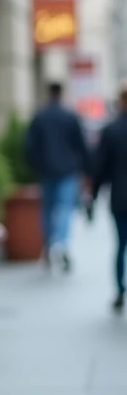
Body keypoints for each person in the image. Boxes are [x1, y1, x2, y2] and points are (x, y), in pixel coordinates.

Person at [26, 82, 90, 271]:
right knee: (64, 208)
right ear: (61, 93)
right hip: (67, 171)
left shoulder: (40, 117)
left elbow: (30, 146)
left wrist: (36, 166)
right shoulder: (70, 116)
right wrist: (85, 169)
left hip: (46, 171)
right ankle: (61, 243)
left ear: (48, 92)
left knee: (47, 210)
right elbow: (81, 145)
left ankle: (47, 246)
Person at [87, 80, 127, 311]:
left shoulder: (111, 130)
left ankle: (120, 289)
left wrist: (92, 196)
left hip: (120, 198)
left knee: (121, 244)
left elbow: (100, 167)